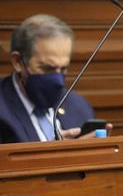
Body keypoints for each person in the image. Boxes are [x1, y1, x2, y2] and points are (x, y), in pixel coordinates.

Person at [0, 14, 111, 143]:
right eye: (47, 68)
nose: (57, 80)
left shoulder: (79, 107)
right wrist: (54, 155)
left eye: (63, 69)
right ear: (18, 62)